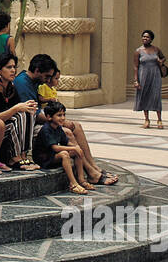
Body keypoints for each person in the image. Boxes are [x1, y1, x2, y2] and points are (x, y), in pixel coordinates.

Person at [29, 57, 118, 185]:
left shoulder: (38, 82)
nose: (49, 80)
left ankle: (94, 167)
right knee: (68, 132)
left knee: (77, 125)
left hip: (46, 118)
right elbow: (36, 113)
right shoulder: (30, 84)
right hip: (39, 123)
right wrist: (62, 124)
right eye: (48, 77)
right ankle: (90, 173)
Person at [0, 51, 40, 169]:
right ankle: (14, 158)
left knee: (27, 113)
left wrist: (29, 108)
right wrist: (15, 109)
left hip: (6, 126)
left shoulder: (11, 87)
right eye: (9, 67)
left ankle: (23, 155)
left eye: (14, 67)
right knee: (17, 118)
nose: (13, 70)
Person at [33, 101, 94, 195]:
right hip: (44, 158)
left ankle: (81, 180)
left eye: (64, 115)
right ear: (49, 117)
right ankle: (73, 183)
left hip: (52, 155)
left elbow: (66, 141)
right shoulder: (46, 130)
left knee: (77, 151)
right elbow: (55, 148)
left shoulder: (58, 128)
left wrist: (76, 147)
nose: (63, 118)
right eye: (59, 115)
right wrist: (73, 148)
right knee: (64, 154)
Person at [133, 29, 165, 129]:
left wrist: (161, 61)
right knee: (144, 96)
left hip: (155, 75)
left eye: (147, 37)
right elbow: (135, 66)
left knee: (156, 97)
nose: (145, 38)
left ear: (151, 39)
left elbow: (163, 58)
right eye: (143, 36)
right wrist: (136, 80)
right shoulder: (138, 51)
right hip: (143, 76)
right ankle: (147, 120)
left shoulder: (156, 49)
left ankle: (159, 120)